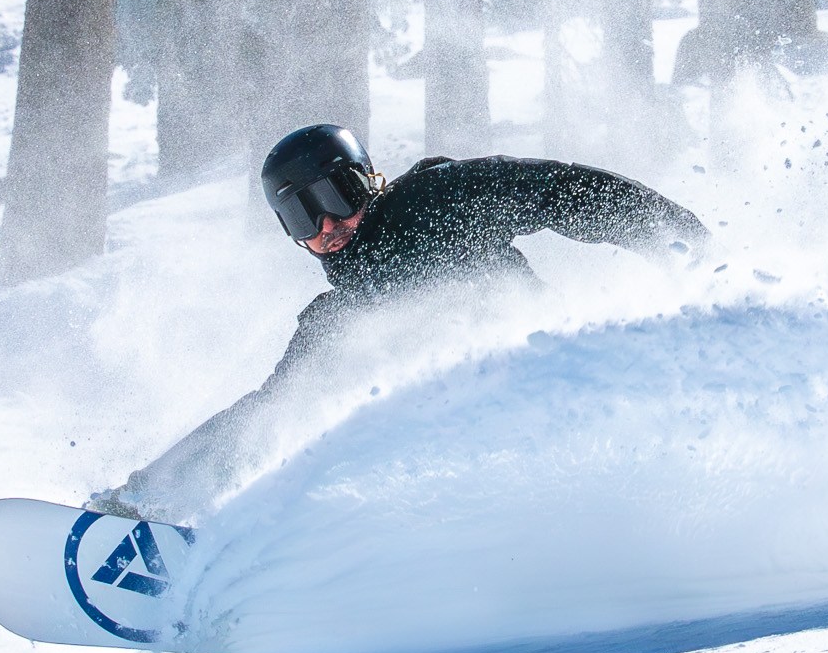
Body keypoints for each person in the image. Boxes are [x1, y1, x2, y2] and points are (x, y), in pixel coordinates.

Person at [92, 125, 707, 517]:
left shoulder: (436, 203)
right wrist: (148, 496)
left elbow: (556, 190)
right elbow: (271, 415)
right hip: (468, 472)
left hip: (550, 399)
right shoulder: (337, 319)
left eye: (334, 199)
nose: (326, 228)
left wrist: (676, 239)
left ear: (367, 181)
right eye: (302, 217)